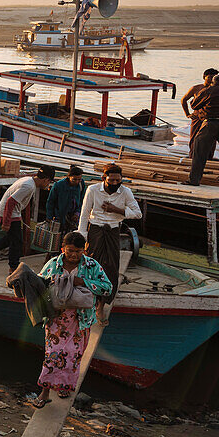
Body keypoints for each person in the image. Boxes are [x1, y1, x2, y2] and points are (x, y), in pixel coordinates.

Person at [32, 231, 112, 408]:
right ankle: (45, 392)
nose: (74, 255)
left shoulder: (92, 266)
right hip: (56, 319)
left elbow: (107, 288)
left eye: (78, 251)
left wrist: (83, 282)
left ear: (84, 250)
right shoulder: (54, 264)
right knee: (52, 355)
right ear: (62, 249)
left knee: (73, 355)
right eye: (70, 251)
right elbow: (38, 283)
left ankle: (64, 386)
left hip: (80, 319)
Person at [78, 163, 141, 324]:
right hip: (96, 230)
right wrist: (82, 236)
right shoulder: (92, 190)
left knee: (112, 267)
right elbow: (84, 214)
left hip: (113, 230)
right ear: (103, 178)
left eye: (117, 181)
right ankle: (88, 300)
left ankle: (101, 304)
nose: (114, 184)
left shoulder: (125, 192)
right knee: (92, 265)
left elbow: (137, 214)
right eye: (111, 180)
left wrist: (116, 209)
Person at [0, 165, 56, 271]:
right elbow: (10, 202)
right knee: (17, 242)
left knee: (12, 239)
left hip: (12, 213)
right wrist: (6, 222)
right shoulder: (29, 186)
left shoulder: (29, 180)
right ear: (46, 179)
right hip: (8, 213)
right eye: (49, 182)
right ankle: (13, 267)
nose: (48, 185)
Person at [180, 67, 219, 142]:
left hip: (211, 118)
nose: (212, 80)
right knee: (194, 139)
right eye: (210, 77)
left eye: (214, 77)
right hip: (197, 117)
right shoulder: (196, 88)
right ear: (204, 77)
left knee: (210, 141)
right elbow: (183, 100)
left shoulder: (217, 90)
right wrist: (187, 114)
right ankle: (193, 153)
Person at [45, 165, 86, 235]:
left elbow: (83, 200)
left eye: (79, 179)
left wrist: (77, 213)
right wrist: (49, 217)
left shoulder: (81, 184)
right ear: (68, 177)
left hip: (74, 218)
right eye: (74, 179)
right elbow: (50, 202)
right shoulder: (58, 185)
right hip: (59, 216)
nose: (77, 182)